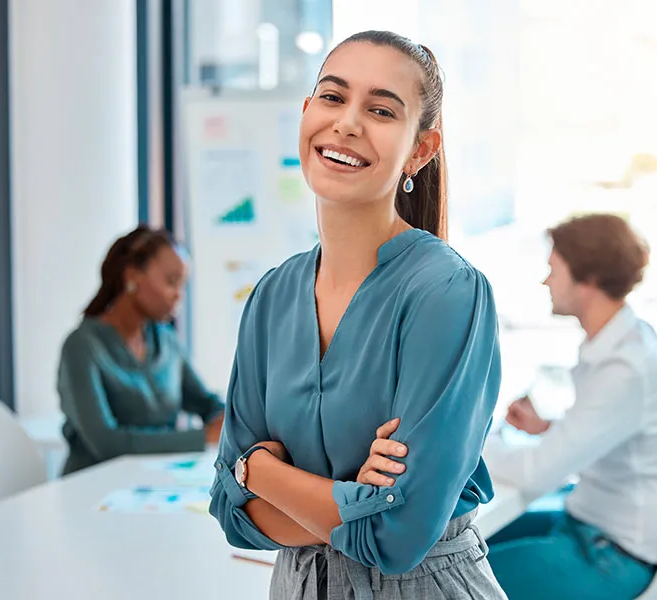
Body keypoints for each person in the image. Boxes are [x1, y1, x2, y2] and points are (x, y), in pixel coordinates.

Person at [208, 30, 506, 599]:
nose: (347, 122)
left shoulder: (446, 292)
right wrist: (352, 504)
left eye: (380, 110)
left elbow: (398, 536)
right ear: (306, 113)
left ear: (421, 150)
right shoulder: (272, 295)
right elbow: (230, 514)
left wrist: (260, 472)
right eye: (332, 96)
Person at [359, 213, 657, 600]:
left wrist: (462, 444)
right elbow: (621, 435)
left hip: (609, 558)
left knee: (445, 582)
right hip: (590, 532)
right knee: (450, 552)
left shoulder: (626, 370)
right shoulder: (629, 344)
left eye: (554, 270)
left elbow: (537, 474)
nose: (546, 281)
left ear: (587, 279)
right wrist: (548, 428)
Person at [57, 225, 225, 475]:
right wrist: (201, 437)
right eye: (171, 282)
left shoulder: (166, 341)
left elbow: (204, 402)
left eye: (183, 285)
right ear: (132, 276)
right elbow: (107, 443)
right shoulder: (81, 346)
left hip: (156, 482)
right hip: (92, 488)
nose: (178, 296)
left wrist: (227, 418)